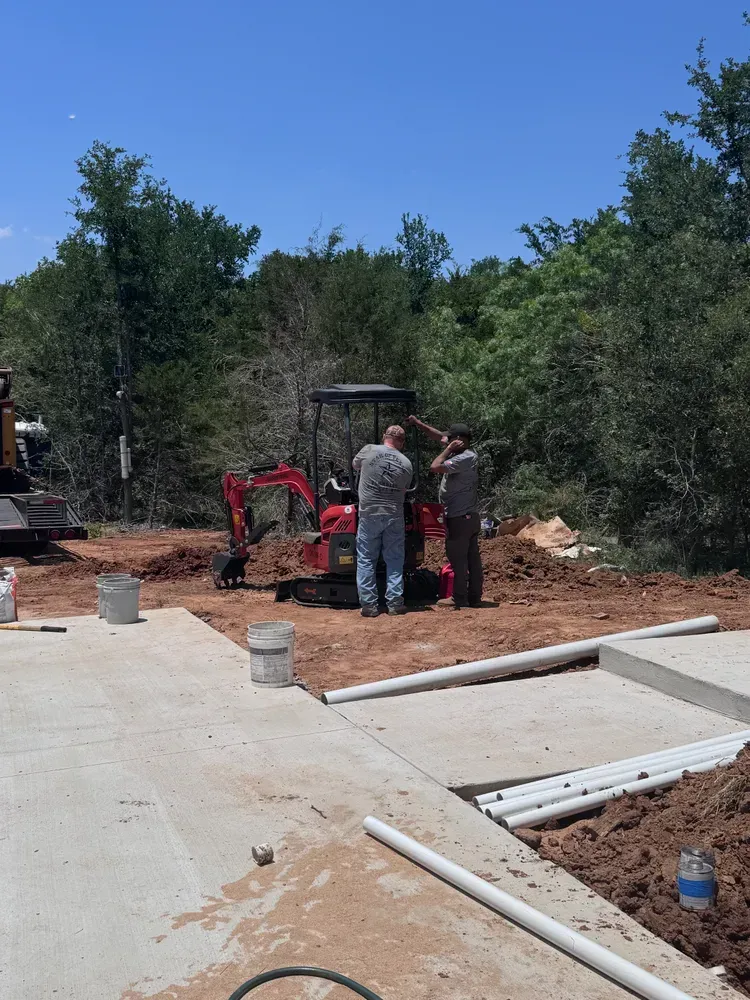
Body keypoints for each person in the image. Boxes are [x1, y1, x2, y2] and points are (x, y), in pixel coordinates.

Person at [408, 415, 483, 609]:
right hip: (469, 517)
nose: (446, 441)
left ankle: (460, 598)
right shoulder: (463, 451)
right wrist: (418, 424)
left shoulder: (465, 458)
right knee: (472, 558)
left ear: (459, 440)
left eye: (451, 439)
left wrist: (448, 450)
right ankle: (474, 597)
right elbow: (438, 436)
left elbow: (434, 467)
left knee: (458, 559)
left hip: (460, 517)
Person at [352, 425, 413, 618]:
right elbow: (404, 490)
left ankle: (369, 606)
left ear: (384, 437)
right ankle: (395, 604)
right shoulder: (406, 463)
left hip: (369, 514)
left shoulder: (370, 449)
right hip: (394, 515)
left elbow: (356, 465)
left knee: (366, 559)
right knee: (394, 560)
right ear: (402, 443)